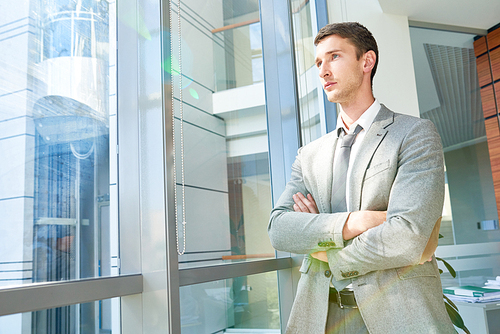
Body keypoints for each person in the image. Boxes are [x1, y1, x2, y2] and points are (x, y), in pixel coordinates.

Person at [268, 22, 455, 334]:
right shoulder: (309, 155)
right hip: (320, 317)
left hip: (398, 317)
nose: (323, 71)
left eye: (334, 57)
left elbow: (407, 237)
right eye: (318, 62)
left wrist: (326, 252)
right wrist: (358, 221)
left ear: (366, 61)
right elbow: (280, 230)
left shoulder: (414, 134)